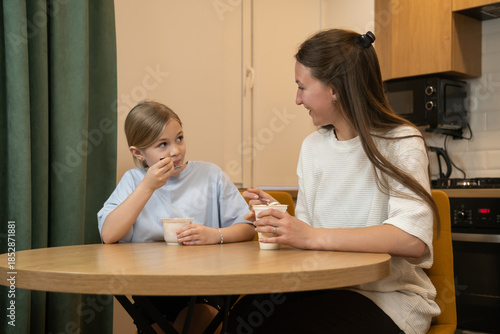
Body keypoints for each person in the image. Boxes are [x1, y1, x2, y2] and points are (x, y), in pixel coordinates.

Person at [228, 29, 440, 334]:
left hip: (387, 299)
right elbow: (309, 238)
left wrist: (311, 236)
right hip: (324, 288)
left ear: (334, 89)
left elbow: (412, 241)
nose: (297, 99)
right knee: (242, 316)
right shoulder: (313, 148)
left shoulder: (401, 142)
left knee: (293, 323)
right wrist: (281, 222)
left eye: (302, 87)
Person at [97, 100, 255, 333]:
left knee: (199, 319)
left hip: (206, 286)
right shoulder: (133, 181)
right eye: (163, 144)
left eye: (179, 138)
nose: (175, 151)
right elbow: (109, 234)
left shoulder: (210, 175)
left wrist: (215, 235)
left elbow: (247, 227)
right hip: (151, 290)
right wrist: (147, 187)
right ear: (138, 152)